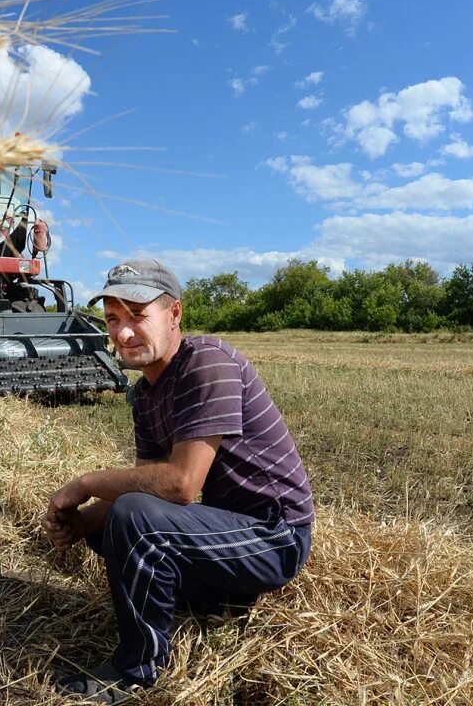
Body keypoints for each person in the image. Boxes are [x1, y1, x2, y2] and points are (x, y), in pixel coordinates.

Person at [43, 258, 314, 704]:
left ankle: (135, 669)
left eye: (137, 316)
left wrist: (86, 483)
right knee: (117, 522)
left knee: (130, 516)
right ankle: (213, 603)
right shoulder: (146, 394)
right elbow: (144, 491)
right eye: (113, 319)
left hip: (274, 537)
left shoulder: (207, 362)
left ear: (175, 315)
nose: (124, 333)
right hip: (226, 529)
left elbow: (181, 486)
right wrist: (83, 523)